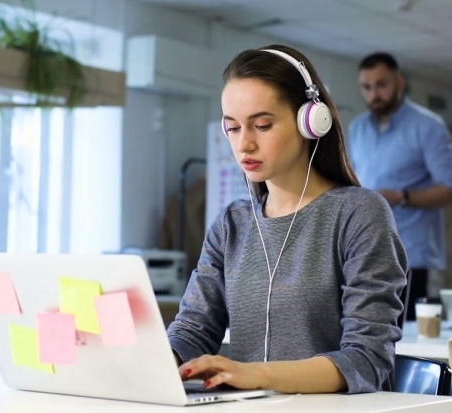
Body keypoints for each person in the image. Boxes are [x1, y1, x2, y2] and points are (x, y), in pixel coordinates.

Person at [166, 45, 408, 395]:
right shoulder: (232, 224)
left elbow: (366, 360)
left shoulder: (358, 213)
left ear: (311, 121)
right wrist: (157, 362)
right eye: (232, 128)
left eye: (262, 125)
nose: (244, 144)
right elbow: (193, 330)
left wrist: (258, 375)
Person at [346, 52, 452, 320]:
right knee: (368, 336)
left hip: (413, 257)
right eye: (367, 87)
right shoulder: (357, 129)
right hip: (365, 255)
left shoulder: (428, 126)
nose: (374, 94)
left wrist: (402, 197)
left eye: (382, 85)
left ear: (399, 83)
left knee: (410, 340)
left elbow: (451, 189)